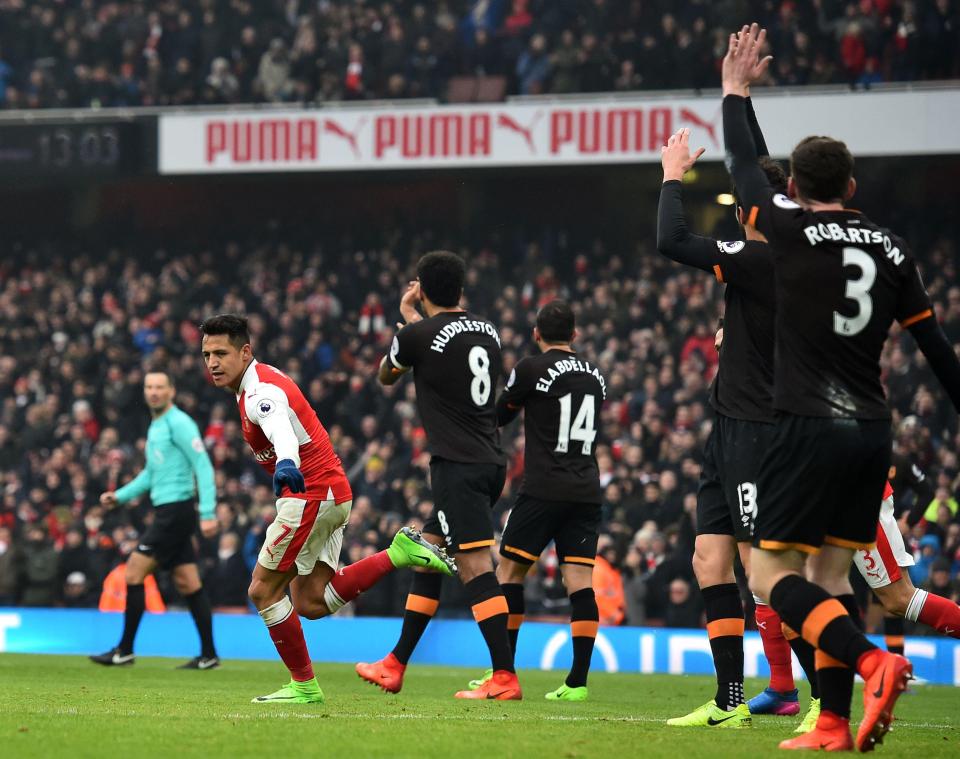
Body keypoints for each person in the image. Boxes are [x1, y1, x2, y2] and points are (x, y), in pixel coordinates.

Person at [723, 24, 960, 752]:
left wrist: (735, 91)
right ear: (852, 188)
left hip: (804, 426)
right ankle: (829, 721)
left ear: (794, 188)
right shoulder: (892, 249)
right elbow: (937, 351)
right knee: (829, 578)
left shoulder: (787, 228)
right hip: (872, 434)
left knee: (769, 577)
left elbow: (741, 168)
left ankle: (871, 660)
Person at [200, 314, 455, 704]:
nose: (212, 363)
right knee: (310, 602)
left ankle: (304, 686)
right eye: (206, 355)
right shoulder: (257, 382)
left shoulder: (258, 392)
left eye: (221, 353)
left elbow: (280, 427)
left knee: (262, 589)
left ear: (245, 351)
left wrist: (286, 463)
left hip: (309, 493)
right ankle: (398, 552)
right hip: (332, 492)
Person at [656, 116, 787, 728]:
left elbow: (672, 240)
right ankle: (732, 698)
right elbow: (759, 172)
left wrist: (672, 178)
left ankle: (817, 694)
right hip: (726, 425)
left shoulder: (763, 257)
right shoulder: (766, 255)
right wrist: (743, 103)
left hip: (757, 431)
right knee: (710, 561)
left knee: (765, 571)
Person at [355, 251, 520, 700]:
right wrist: (415, 316)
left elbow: (387, 375)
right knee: (428, 555)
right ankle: (394, 664)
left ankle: (504, 677)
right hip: (488, 458)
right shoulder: (488, 331)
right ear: (461, 289)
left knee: (474, 567)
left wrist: (407, 319)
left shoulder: (417, 336)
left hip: (457, 465)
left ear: (421, 289)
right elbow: (443, 341)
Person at [469, 299, 606, 701]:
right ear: (575, 335)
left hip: (544, 488)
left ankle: (503, 674)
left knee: (509, 574)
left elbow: (502, 413)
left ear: (536, 334)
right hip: (586, 491)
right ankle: (577, 683)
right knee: (580, 583)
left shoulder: (531, 368)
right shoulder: (595, 375)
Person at [90, 370, 220, 669]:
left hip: (176, 510)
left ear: (171, 391)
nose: (154, 392)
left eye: (160, 387)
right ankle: (209, 654)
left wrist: (209, 512)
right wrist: (119, 496)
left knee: (134, 573)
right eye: (149, 386)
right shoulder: (157, 426)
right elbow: (150, 473)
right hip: (170, 510)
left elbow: (202, 464)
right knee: (188, 582)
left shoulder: (179, 422)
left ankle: (124, 650)